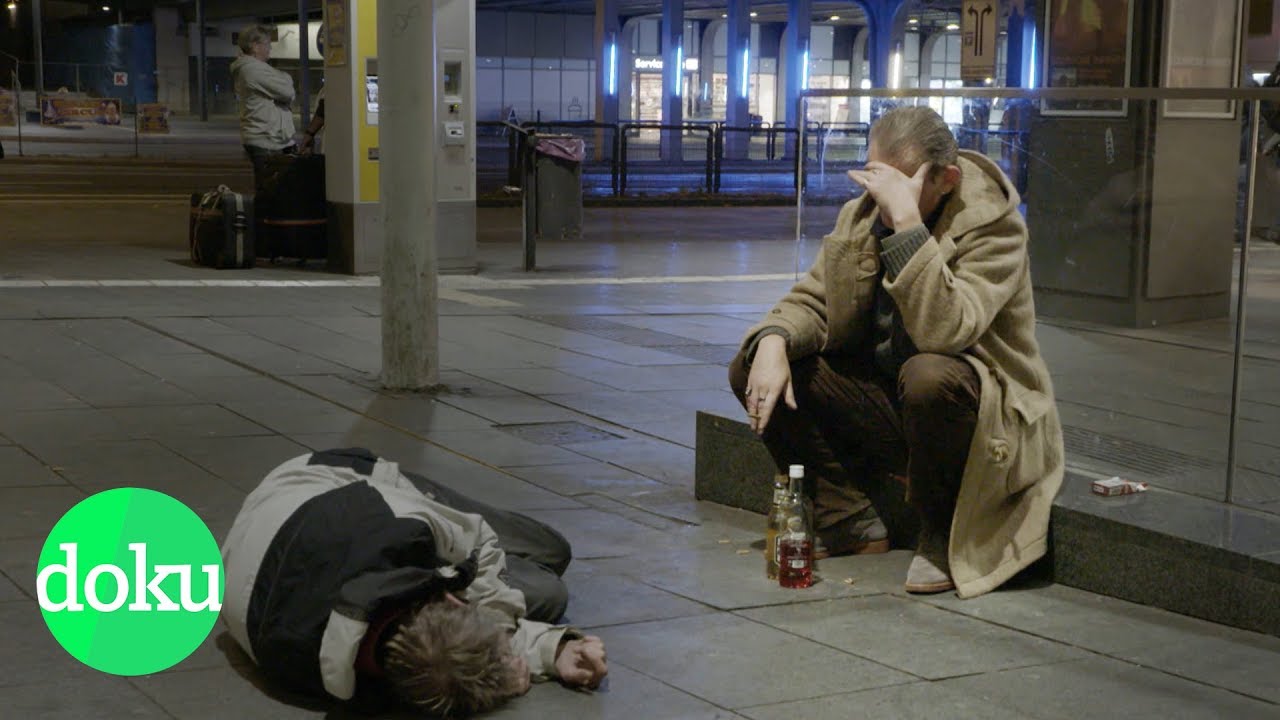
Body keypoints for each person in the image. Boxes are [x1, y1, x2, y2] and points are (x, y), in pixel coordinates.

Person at [730, 105, 1063, 598]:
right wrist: (775, 340)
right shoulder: (862, 215)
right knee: (754, 362)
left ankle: (941, 530)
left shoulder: (994, 228)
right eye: (877, 180)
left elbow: (947, 332)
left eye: (900, 185)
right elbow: (814, 301)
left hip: (977, 414)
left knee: (929, 373)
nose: (882, 197)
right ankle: (847, 515)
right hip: (891, 401)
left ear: (946, 179)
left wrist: (907, 226)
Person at [221, 448, 608, 717]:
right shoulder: (337, 676)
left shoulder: (398, 525)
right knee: (547, 591)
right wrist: (549, 651)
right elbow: (445, 661)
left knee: (551, 551)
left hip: (328, 480)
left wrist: (503, 636)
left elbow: (480, 538)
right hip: (271, 541)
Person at [231, 24, 298, 189]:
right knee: (269, 191)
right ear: (255, 46)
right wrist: (285, 81)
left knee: (275, 190)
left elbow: (285, 88)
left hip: (274, 139)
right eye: (267, 44)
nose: (270, 49)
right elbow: (288, 91)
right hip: (265, 139)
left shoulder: (258, 69)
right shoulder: (251, 70)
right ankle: (262, 215)